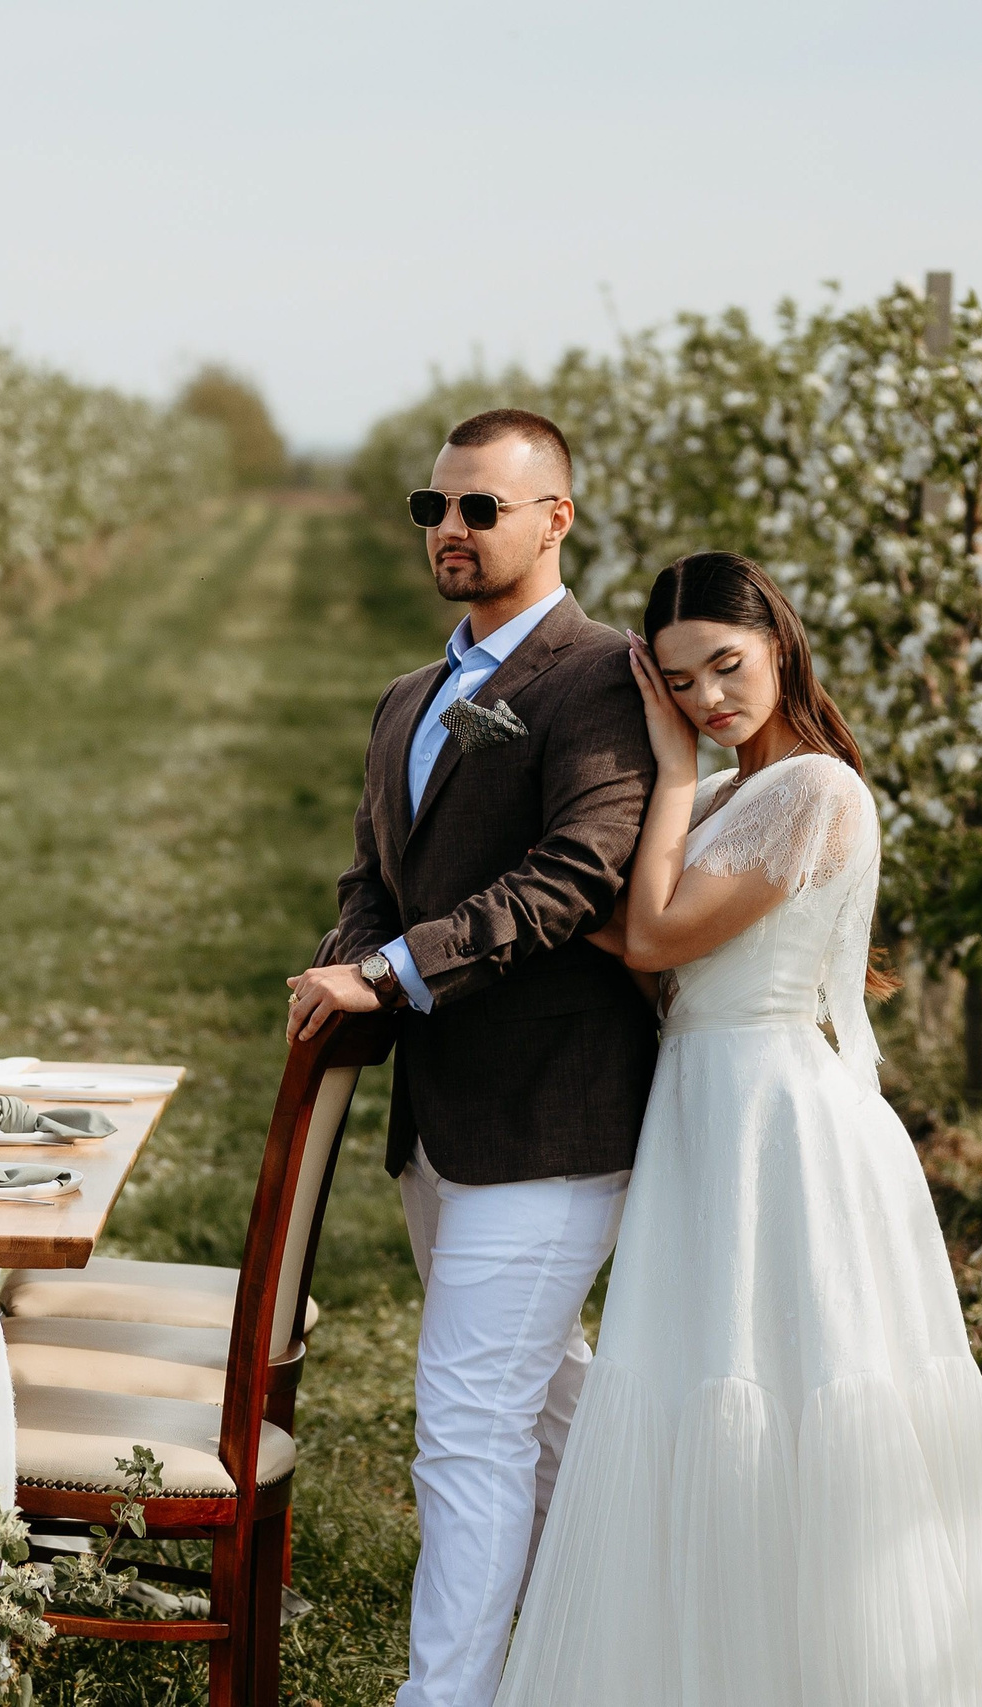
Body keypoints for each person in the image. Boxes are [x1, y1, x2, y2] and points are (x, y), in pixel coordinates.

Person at [492, 551, 982, 1704]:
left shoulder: (815, 791)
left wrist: (664, 774)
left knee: (798, 1392)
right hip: (704, 1117)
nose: (710, 700)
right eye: (679, 685)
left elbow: (652, 937)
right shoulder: (731, 798)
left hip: (782, 1128)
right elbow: (621, 923)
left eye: (727, 666)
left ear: (780, 647)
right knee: (699, 1386)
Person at [286, 408, 657, 1707]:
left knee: (465, 1424)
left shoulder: (605, 675)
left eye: (479, 508)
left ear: (556, 516)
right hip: (443, 1118)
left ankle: (443, 1696)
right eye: (432, 508)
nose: (449, 529)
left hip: (554, 1119)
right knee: (544, 1403)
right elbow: (371, 876)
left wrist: (386, 972)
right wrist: (352, 957)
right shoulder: (408, 695)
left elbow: (576, 873)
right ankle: (580, 1656)